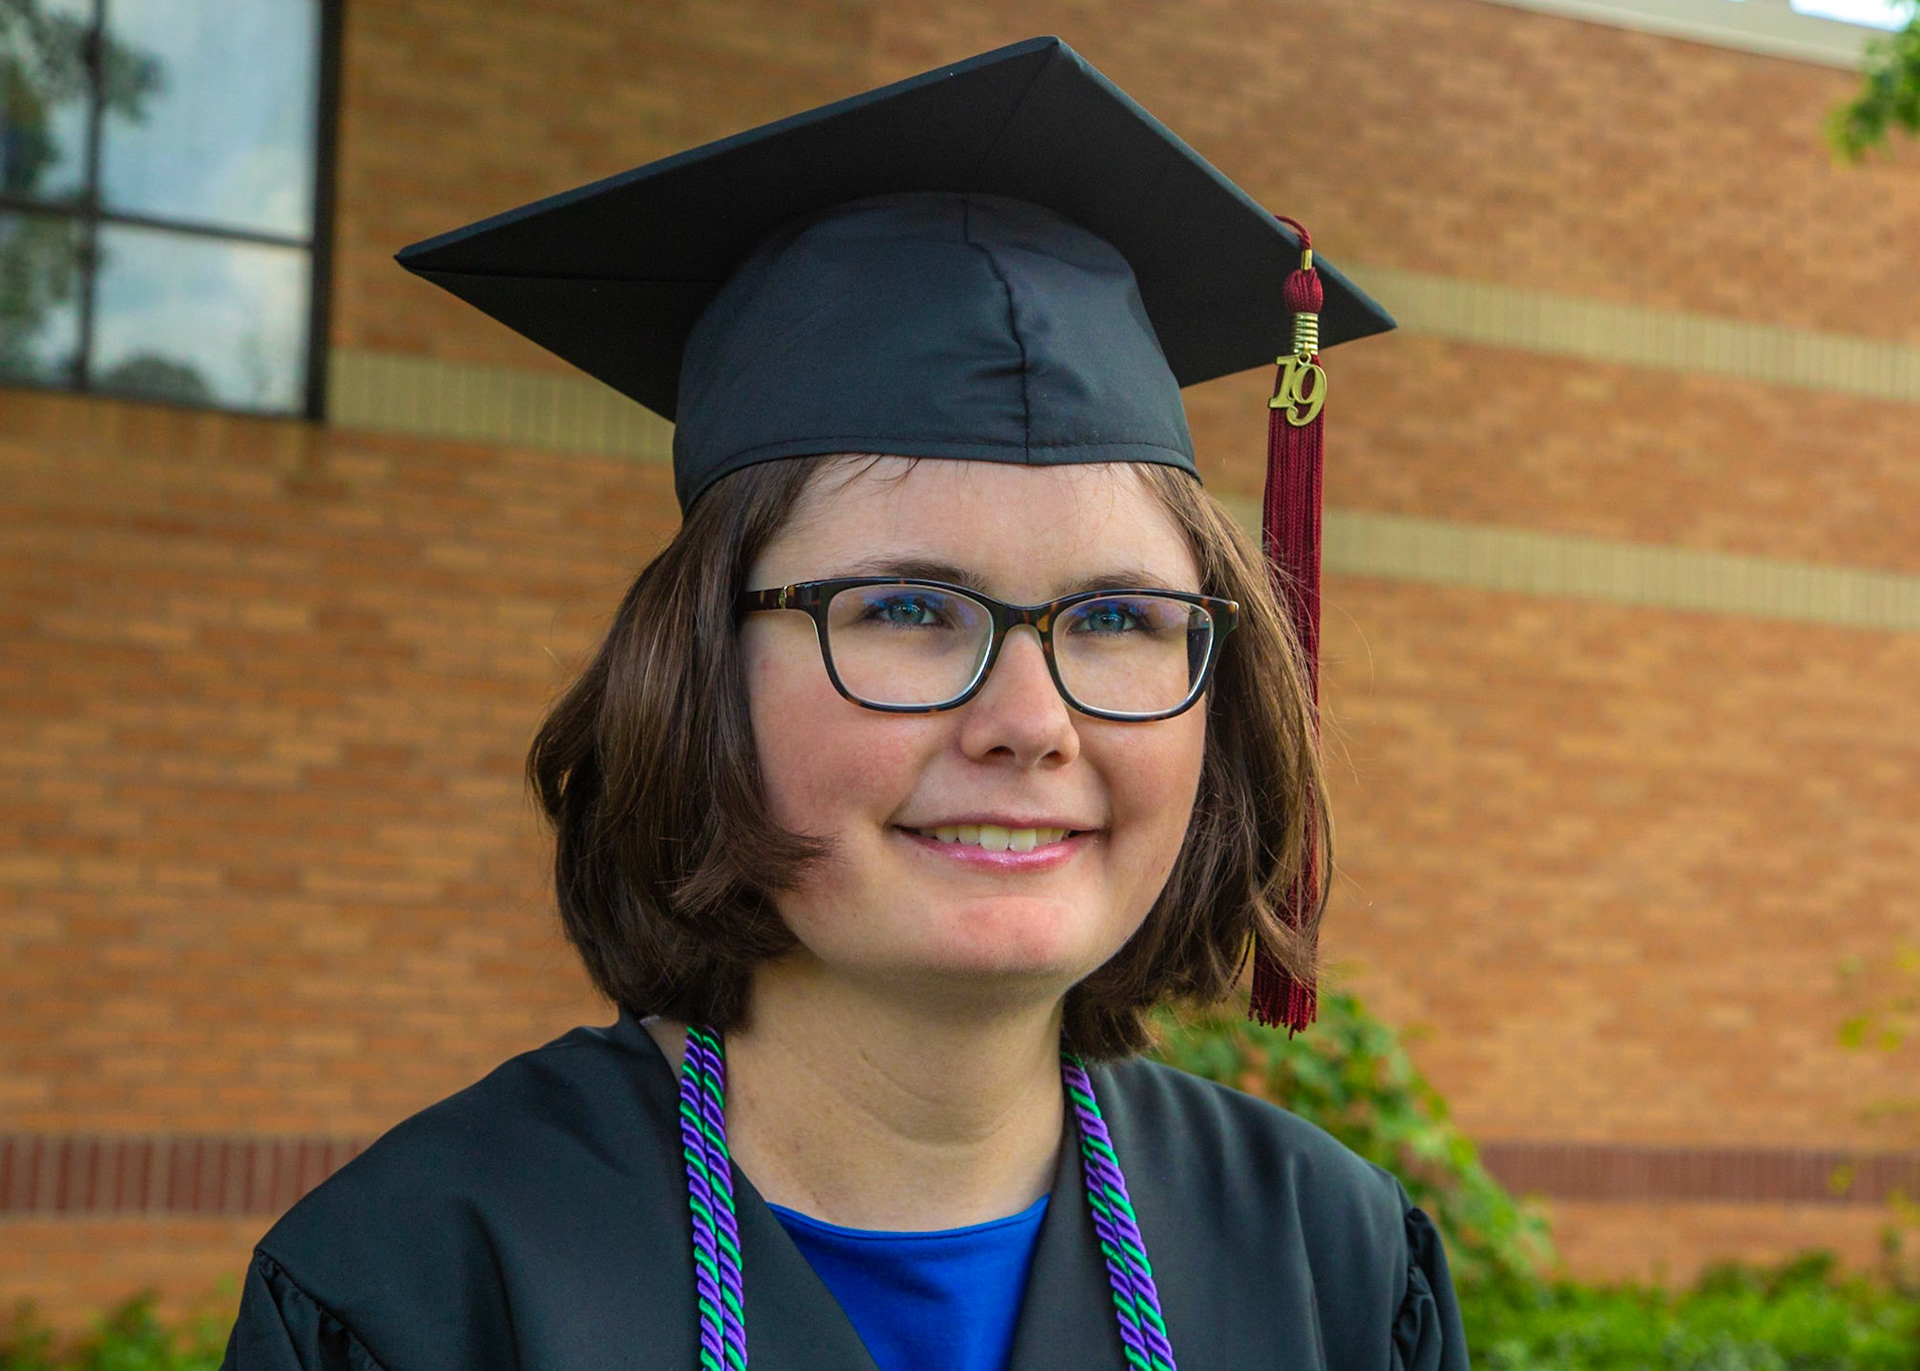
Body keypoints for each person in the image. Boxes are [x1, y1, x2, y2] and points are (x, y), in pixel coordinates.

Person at [221, 36, 1468, 1371]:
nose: (1031, 722)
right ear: (699, 675)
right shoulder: (426, 1291)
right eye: (911, 612)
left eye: (1116, 620)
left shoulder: (1326, 1263)